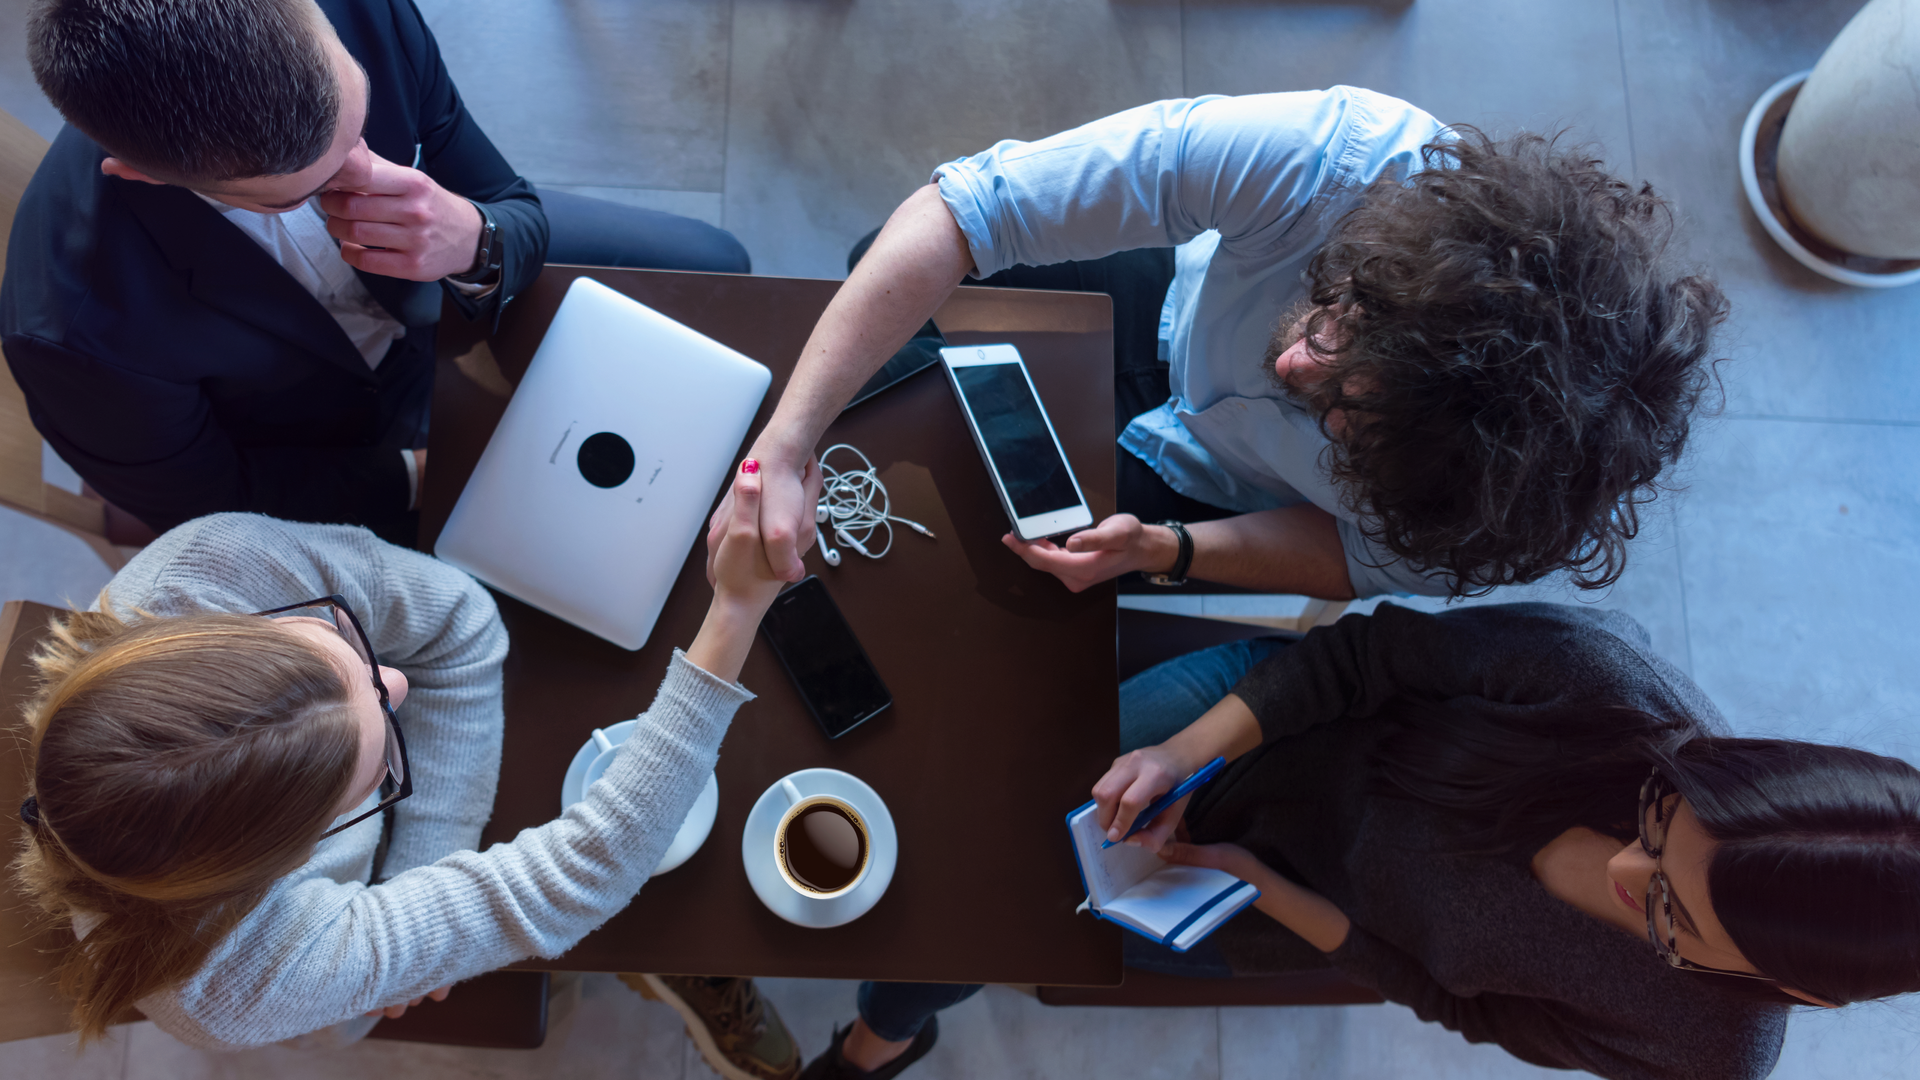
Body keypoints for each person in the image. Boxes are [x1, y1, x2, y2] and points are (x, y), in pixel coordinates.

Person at [798, 604, 1920, 1080]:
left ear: (1795, 995)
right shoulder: (1600, 681)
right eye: (1661, 821)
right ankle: (880, 1029)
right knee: (989, 835)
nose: (1626, 872)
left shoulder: (1707, 1055)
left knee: (996, 916)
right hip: (1262, 730)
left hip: (1284, 908)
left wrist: (1250, 884)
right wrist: (1180, 758)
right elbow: (1352, 661)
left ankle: (880, 1038)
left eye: (1671, 920)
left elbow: (1464, 1005)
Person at [718, 89, 1725, 600]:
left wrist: (1172, 550)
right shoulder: (1342, 158)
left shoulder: (1485, 507)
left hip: (1212, 498)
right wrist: (790, 446)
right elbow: (969, 210)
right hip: (1161, 300)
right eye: (1339, 319)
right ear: (1388, 254)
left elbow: (1348, 553)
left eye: (1342, 421)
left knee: (968, 596)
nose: (1293, 369)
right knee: (871, 273)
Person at [13, 457, 815, 1079]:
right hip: (328, 987)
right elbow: (584, 875)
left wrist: (412, 911)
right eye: (378, 770)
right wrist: (735, 612)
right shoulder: (236, 983)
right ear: (297, 845)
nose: (394, 682)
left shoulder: (207, 570)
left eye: (343, 641)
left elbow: (460, 626)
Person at [3, 0, 750, 547]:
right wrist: (420, 474)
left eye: (358, 127)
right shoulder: (73, 332)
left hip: (445, 287)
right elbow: (216, 504)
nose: (365, 172)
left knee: (718, 268)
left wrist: (476, 239)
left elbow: (495, 188)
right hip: (340, 439)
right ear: (142, 176)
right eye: (299, 193)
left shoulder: (356, 10)